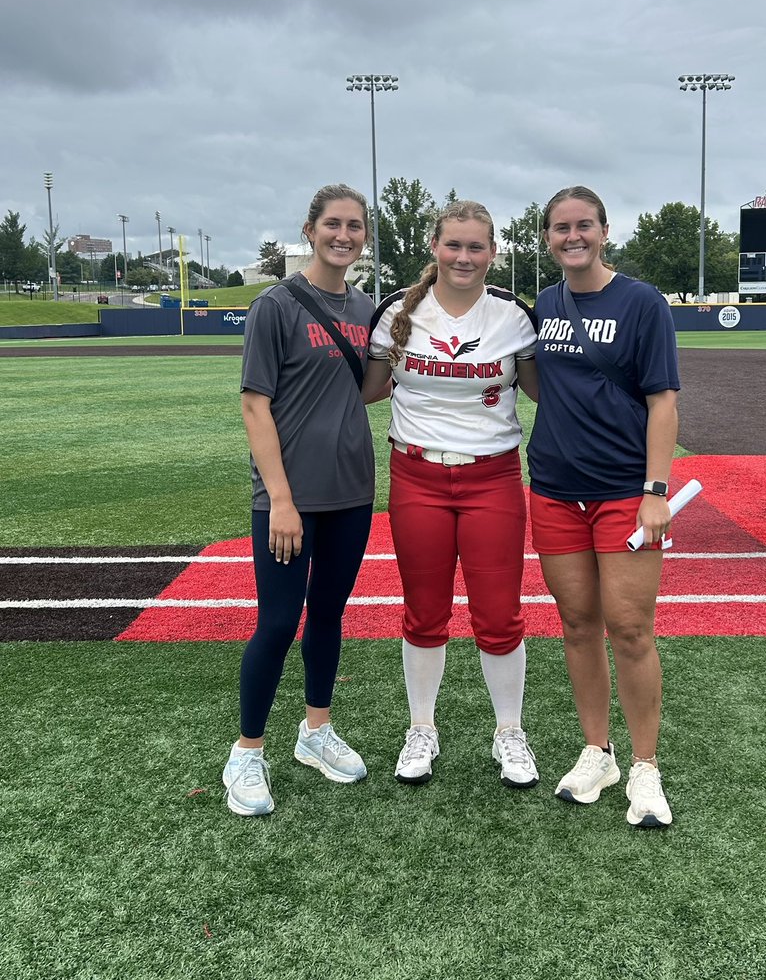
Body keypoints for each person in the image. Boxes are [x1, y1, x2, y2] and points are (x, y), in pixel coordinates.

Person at [363, 200, 540, 789]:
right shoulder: (396, 314)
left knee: (498, 613)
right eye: (454, 245)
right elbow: (363, 391)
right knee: (425, 610)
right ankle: (422, 727)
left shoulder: (514, 315)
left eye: (476, 247)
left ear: (493, 253)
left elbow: (549, 391)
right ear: (434, 248)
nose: (464, 257)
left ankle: (510, 732)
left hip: (492, 477)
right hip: (417, 477)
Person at [527, 186, 680, 827]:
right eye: (561, 228)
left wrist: (655, 491)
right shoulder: (545, 303)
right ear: (548, 238)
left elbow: (663, 401)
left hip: (624, 491)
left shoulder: (641, 301)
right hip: (556, 487)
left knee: (631, 628)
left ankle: (645, 767)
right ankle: (599, 751)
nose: (573, 237)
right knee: (579, 625)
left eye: (583, 225)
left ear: (604, 230)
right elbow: (537, 381)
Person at [222, 184, 375, 816]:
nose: (344, 236)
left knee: (329, 613)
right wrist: (280, 499)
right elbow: (255, 405)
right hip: (288, 498)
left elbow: (364, 391)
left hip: (352, 491)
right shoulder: (275, 305)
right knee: (279, 621)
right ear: (310, 230)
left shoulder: (367, 309)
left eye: (356, 227)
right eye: (333, 224)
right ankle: (247, 752)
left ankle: (316, 731)